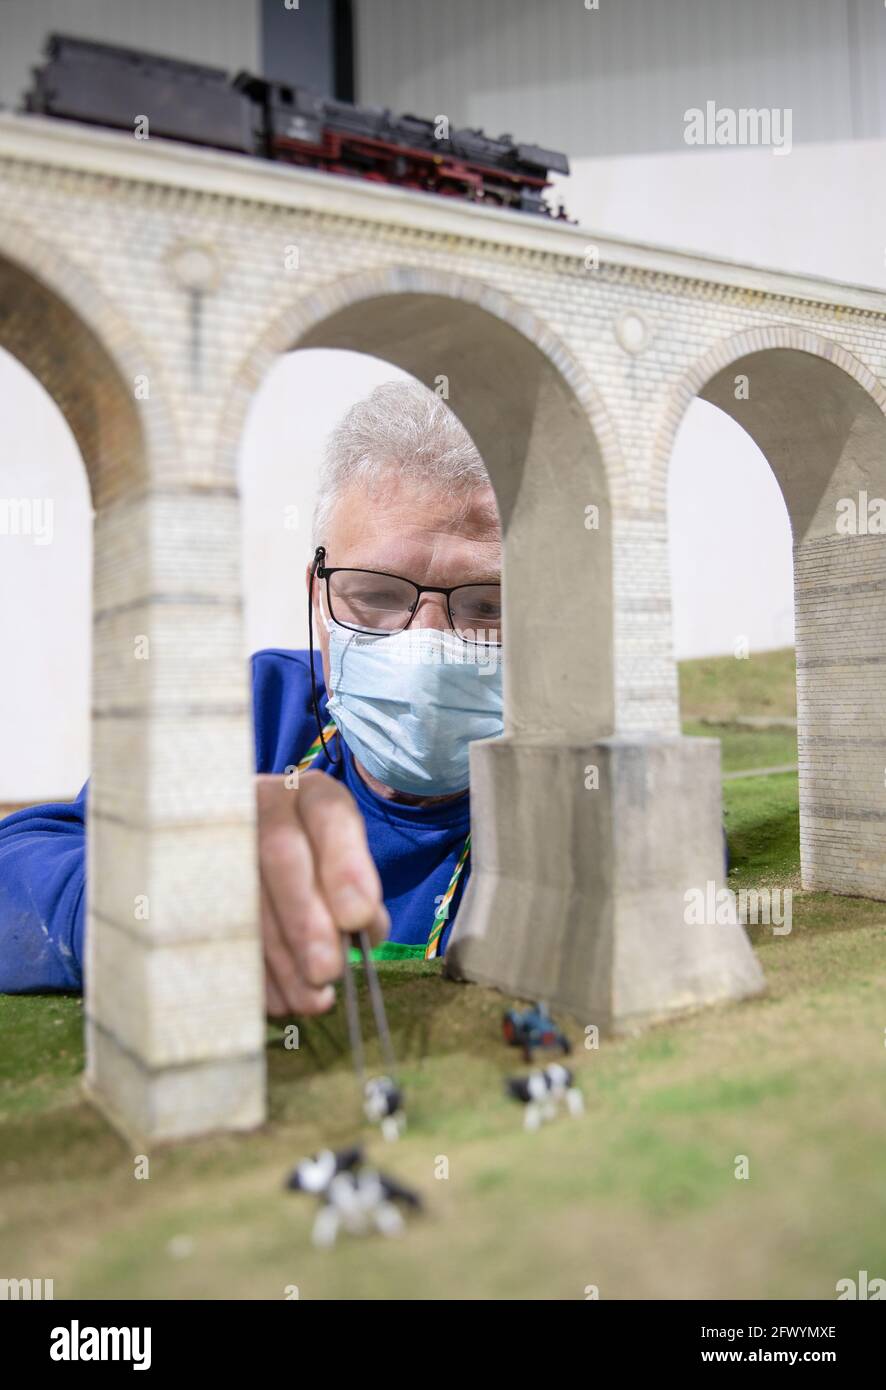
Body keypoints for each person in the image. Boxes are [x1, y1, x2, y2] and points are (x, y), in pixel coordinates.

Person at [0, 380, 504, 1017]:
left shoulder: (566, 772)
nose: (428, 646)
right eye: (376, 596)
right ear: (316, 597)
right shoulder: (259, 713)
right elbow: (17, 866)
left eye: (487, 606)